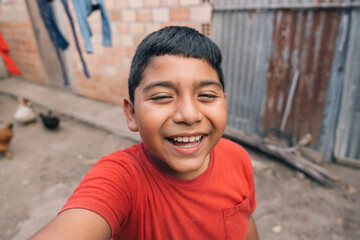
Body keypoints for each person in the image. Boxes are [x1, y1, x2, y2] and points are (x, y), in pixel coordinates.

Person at [30, 26, 259, 240]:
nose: (189, 115)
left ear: (224, 104)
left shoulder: (238, 158)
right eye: (161, 97)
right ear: (131, 114)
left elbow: (246, 220)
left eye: (207, 95)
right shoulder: (121, 179)